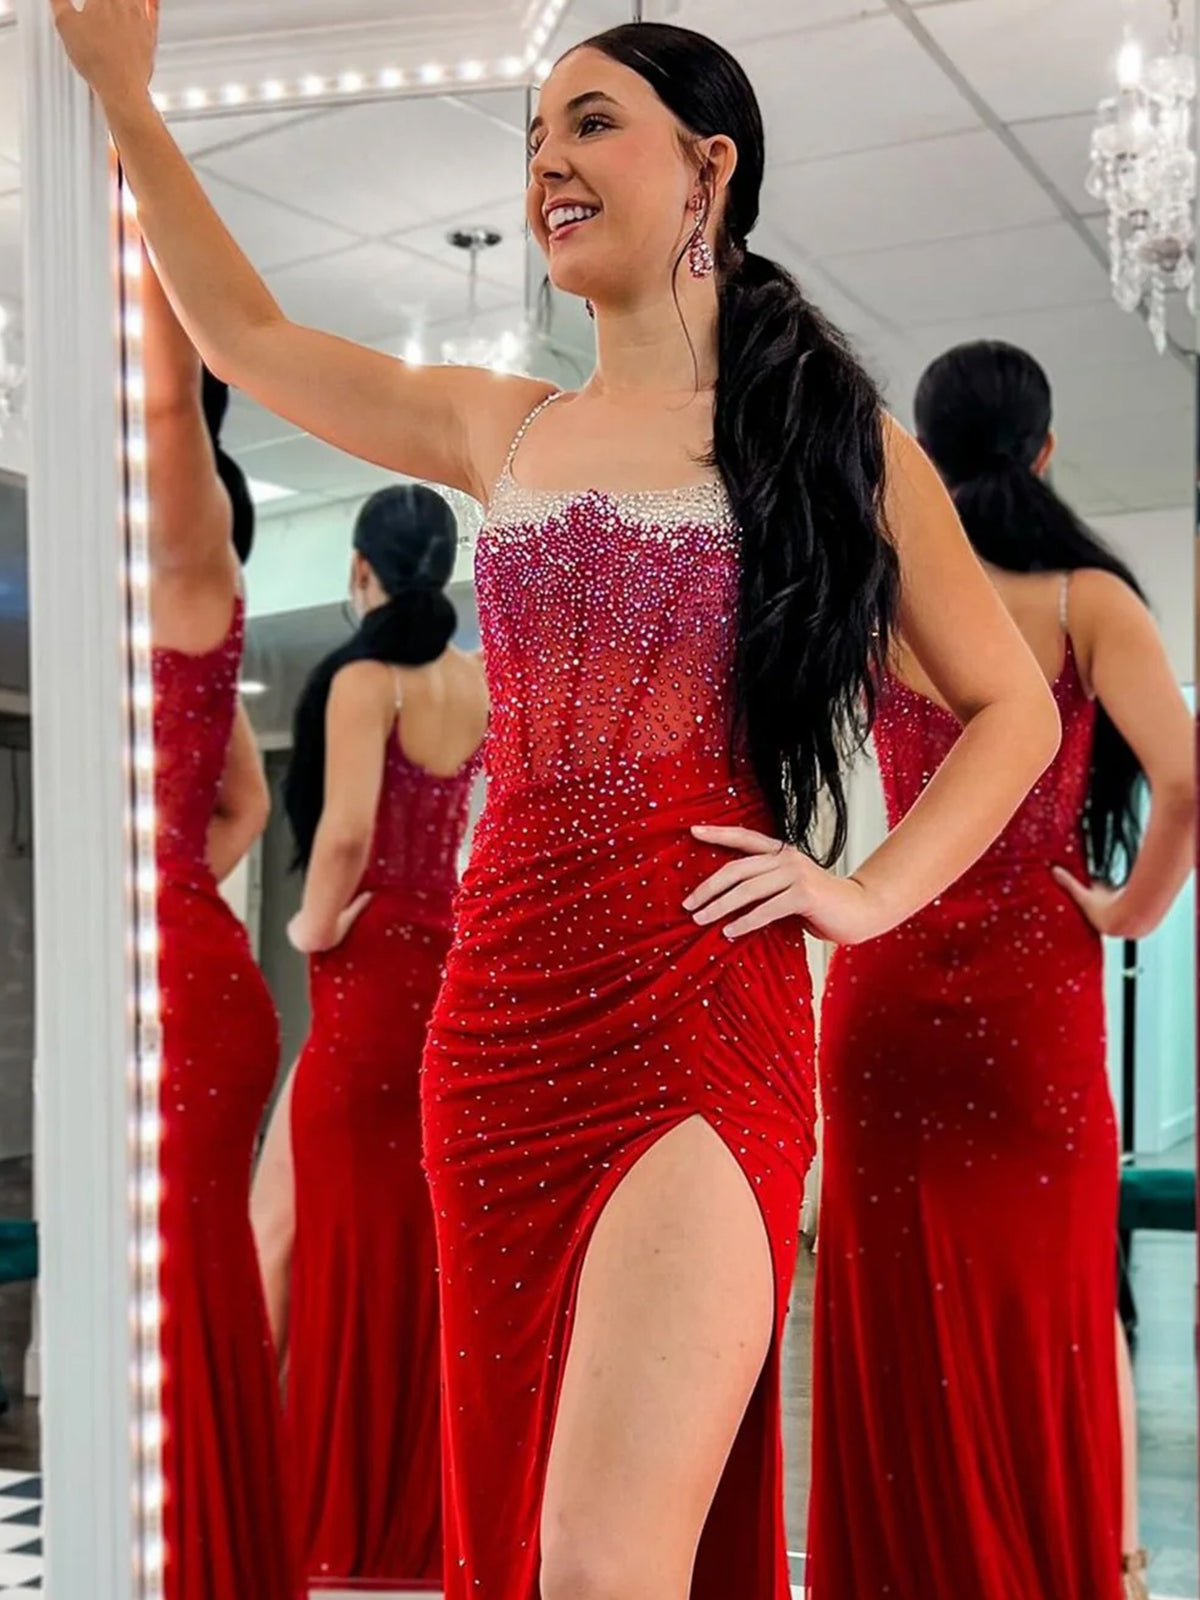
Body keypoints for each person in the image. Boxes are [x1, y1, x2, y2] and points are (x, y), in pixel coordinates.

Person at [53, 12, 1063, 1598]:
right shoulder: (501, 423)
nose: (548, 167)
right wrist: (126, 98)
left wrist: (863, 893)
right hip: (498, 1027)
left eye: (591, 124)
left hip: (702, 1014)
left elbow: (1012, 710)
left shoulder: (834, 446)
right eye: (535, 140)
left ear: (707, 168)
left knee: (601, 1565)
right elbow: (241, 337)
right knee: (524, 1546)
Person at [813, 340, 1195, 1600]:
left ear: (923, 455)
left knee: (893, 1314)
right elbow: (1187, 784)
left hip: (884, 983)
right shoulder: (1086, 602)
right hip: (1035, 996)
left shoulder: (879, 597)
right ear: (1043, 450)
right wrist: (1128, 912)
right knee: (1055, 1306)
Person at [249, 485, 487, 1588]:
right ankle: (425, 1511)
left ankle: (312, 1496)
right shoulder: (476, 682)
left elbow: (343, 832)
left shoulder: (363, 681)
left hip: (367, 954)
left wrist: (306, 925)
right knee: (411, 1230)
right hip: (445, 960)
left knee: (329, 1228)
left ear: (361, 569)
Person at [141, 240, 297, 1600]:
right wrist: (166, 878)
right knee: (166, 1285)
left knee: (176, 1285)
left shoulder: (187, 574)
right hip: (174, 967)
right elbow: (239, 804)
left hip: (181, 998)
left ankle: (200, 1568)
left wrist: (136, 194)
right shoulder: (164, 614)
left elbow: (164, 400)